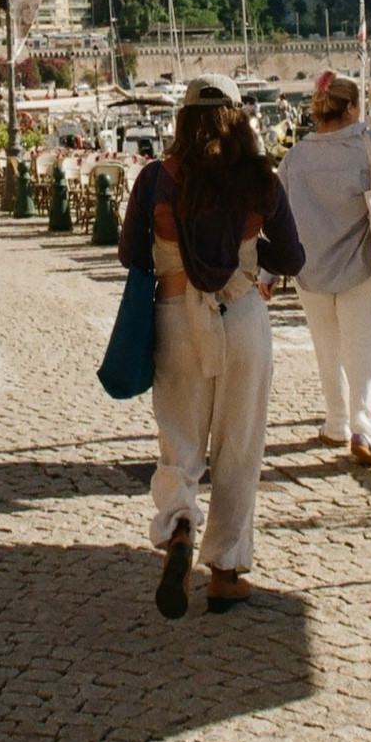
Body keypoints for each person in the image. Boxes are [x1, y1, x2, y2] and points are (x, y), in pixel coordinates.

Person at [119, 74, 304, 621]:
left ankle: (178, 527)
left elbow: (132, 254)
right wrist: (249, 246)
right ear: (239, 119)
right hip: (243, 315)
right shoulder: (260, 181)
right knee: (239, 443)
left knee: (179, 440)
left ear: (184, 121)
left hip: (177, 316)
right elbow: (293, 258)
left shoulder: (156, 179)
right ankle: (224, 573)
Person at [277, 72, 371, 469]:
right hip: (364, 263)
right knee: (366, 346)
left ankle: (335, 421)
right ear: (351, 107)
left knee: (326, 347)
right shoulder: (368, 142)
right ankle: (364, 430)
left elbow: (279, 213)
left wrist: (269, 274)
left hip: (310, 265)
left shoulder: (296, 156)